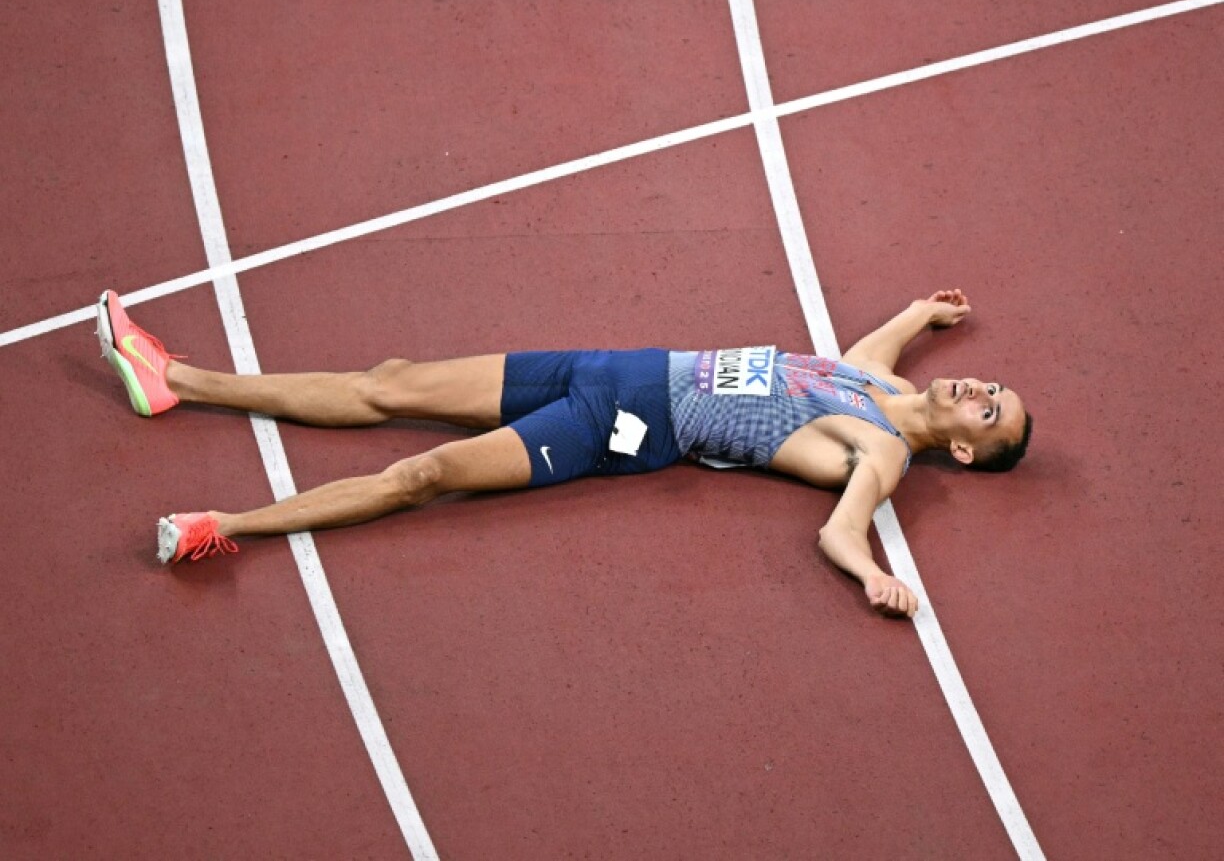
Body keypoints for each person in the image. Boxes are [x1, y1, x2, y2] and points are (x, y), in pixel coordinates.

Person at [95, 288, 1031, 618]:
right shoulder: (882, 387)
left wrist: (872, 574)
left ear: (958, 449)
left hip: (616, 433)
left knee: (420, 476)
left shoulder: (882, 451)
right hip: (613, 366)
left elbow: (840, 530)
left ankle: (225, 525)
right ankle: (178, 378)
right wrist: (928, 313)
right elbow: (895, 332)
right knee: (390, 379)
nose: (981, 391)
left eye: (990, 414)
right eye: (993, 386)